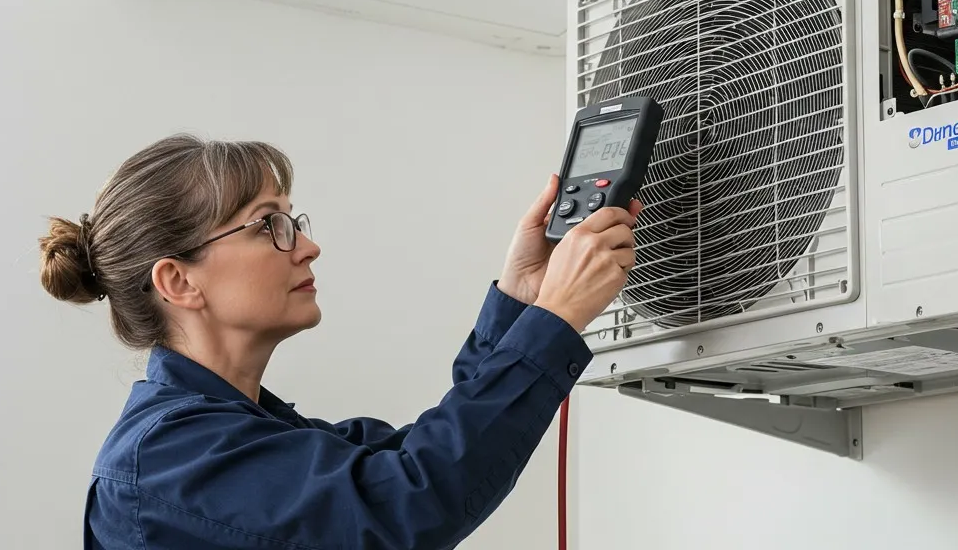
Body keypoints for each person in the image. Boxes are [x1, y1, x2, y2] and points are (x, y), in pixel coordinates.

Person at [38, 134, 639, 549]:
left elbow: (419, 459)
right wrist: (553, 320)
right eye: (268, 225)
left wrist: (521, 298)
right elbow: (408, 505)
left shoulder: (246, 435)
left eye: (293, 220)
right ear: (179, 281)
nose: (307, 246)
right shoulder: (169, 459)